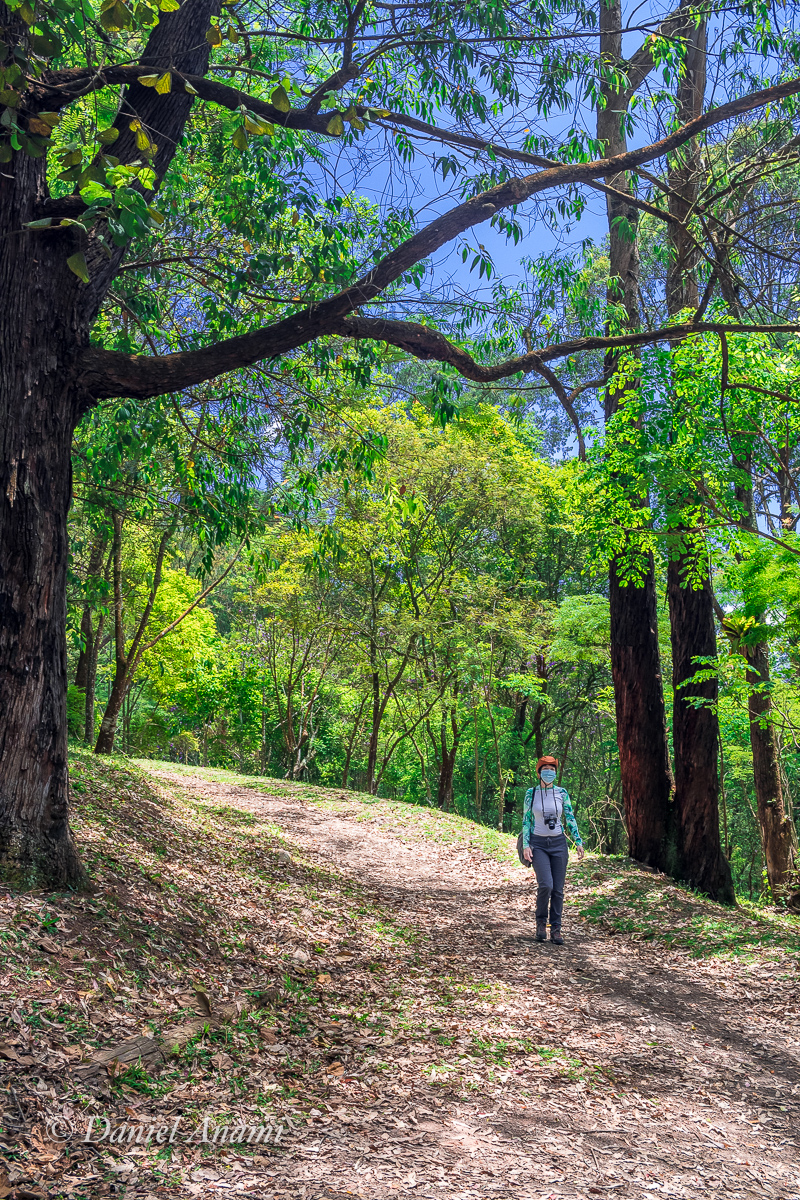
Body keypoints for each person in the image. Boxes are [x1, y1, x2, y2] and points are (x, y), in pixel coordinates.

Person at [522, 755, 585, 944]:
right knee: (546, 885)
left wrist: (578, 841)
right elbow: (526, 820)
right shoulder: (531, 793)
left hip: (558, 844)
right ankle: (541, 923)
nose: (549, 772)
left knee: (558, 890)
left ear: (556, 772)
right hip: (538, 844)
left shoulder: (562, 793)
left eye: (552, 768)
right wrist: (526, 845)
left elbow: (570, 817)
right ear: (539, 772)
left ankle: (556, 928)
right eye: (545, 768)